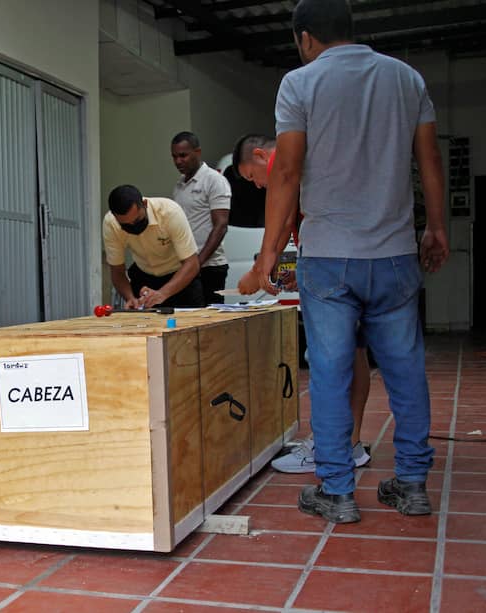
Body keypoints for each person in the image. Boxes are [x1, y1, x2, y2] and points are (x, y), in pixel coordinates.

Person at [246, 0, 448, 524]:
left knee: (332, 374)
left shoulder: (299, 83)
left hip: (330, 258)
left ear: (304, 38)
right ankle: (411, 485)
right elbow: (429, 160)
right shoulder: (407, 79)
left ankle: (336, 491)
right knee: (405, 372)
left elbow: (286, 172)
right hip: (396, 254)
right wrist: (437, 227)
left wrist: (269, 253)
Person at [233, 134, 370, 473]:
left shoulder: (286, 160)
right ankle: (349, 443)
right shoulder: (310, 158)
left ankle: (331, 447)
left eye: (253, 177)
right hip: (350, 258)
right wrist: (300, 270)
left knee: (329, 358)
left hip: (334, 262)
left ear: (263, 157)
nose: (260, 187)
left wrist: (257, 269)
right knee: (354, 352)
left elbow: (281, 223)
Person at [103, 184, 203, 308]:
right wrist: (130, 298)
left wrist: (162, 294)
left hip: (180, 276)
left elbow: (192, 264)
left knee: (191, 324)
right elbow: (117, 271)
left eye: (137, 220)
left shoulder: (170, 212)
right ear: (115, 217)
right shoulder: (110, 224)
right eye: (126, 225)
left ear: (144, 204)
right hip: (143, 276)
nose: (133, 226)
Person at [171, 132, 232, 305]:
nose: (178, 161)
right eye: (174, 156)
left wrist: (197, 263)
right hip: (186, 266)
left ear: (197, 152)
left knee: (210, 322)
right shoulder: (179, 185)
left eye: (183, 155)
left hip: (209, 266)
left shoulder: (214, 180)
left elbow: (221, 225)